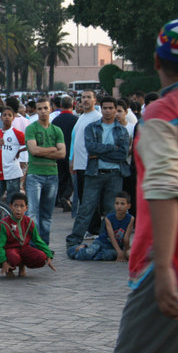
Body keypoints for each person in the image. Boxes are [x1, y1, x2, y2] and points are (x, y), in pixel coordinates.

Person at [99, 18, 178, 353]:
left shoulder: (163, 112)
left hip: (171, 272)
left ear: (156, 60)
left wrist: (165, 265)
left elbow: (166, 189)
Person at [65, 97, 130, 249]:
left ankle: (108, 241)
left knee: (111, 210)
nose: (107, 111)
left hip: (114, 174)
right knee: (86, 208)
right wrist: (111, 148)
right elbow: (91, 148)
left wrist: (101, 152)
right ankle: (74, 241)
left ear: (115, 109)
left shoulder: (121, 130)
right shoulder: (92, 127)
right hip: (94, 173)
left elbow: (122, 154)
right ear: (101, 109)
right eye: (105, 108)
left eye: (110, 108)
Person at [25, 97, 65, 245]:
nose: (42, 111)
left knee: (47, 215)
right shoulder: (31, 128)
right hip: (35, 174)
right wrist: (53, 149)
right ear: (36, 110)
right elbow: (34, 150)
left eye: (45, 108)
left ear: (50, 109)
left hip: (52, 175)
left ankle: (44, 246)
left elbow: (62, 154)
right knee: (32, 213)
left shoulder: (57, 130)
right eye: (39, 108)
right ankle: (33, 245)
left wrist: (44, 152)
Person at [0, 192, 55, 278]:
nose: (18, 209)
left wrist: (48, 255)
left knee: (41, 257)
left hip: (24, 248)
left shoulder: (29, 222)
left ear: (26, 208)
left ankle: (22, 265)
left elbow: (37, 240)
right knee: (13, 257)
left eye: (21, 206)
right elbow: (0, 245)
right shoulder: (4, 223)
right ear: (11, 206)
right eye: (15, 206)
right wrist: (3, 261)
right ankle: (9, 269)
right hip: (10, 249)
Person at [70, 90, 102, 233]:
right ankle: (89, 227)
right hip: (80, 164)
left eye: (89, 97)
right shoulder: (82, 116)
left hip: (90, 165)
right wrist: (73, 160)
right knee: (83, 198)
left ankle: (94, 228)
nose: (85, 100)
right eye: (83, 97)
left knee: (90, 199)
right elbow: (76, 141)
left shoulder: (97, 117)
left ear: (95, 100)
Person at [68, 191, 134, 261]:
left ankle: (94, 255)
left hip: (113, 248)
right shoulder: (109, 218)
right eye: (117, 203)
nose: (119, 206)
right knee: (85, 254)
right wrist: (119, 252)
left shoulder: (130, 219)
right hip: (101, 243)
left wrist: (126, 253)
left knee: (110, 255)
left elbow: (126, 239)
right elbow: (112, 237)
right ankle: (80, 248)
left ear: (128, 206)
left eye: (122, 204)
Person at [0, 106, 26, 205]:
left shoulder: (17, 133)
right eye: (4, 115)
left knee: (12, 201)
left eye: (9, 115)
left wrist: (19, 151)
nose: (7, 117)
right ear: (1, 118)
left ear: (13, 118)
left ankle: (10, 220)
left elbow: (29, 144)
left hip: (12, 172)